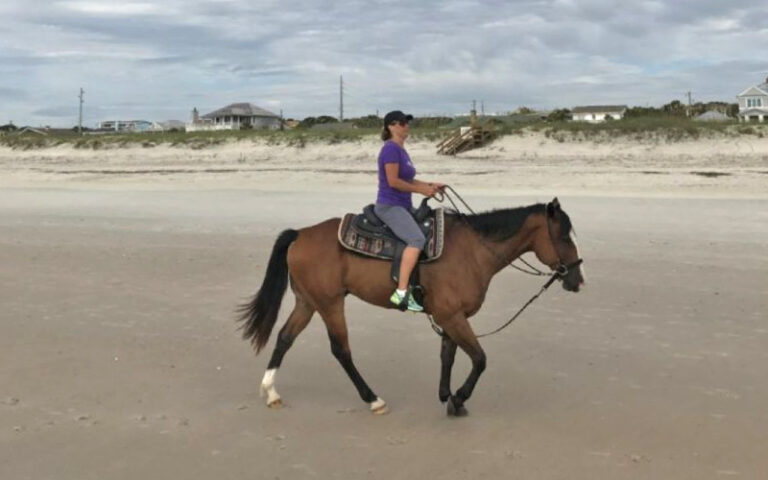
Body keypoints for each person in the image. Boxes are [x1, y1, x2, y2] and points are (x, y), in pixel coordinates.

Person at [375, 110, 444, 312]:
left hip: (404, 205)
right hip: (390, 206)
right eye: (403, 123)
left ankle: (418, 286)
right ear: (392, 126)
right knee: (416, 240)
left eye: (407, 123)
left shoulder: (401, 150)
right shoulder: (390, 150)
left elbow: (408, 180)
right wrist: (423, 190)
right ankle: (401, 292)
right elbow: (393, 181)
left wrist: (431, 184)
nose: (407, 126)